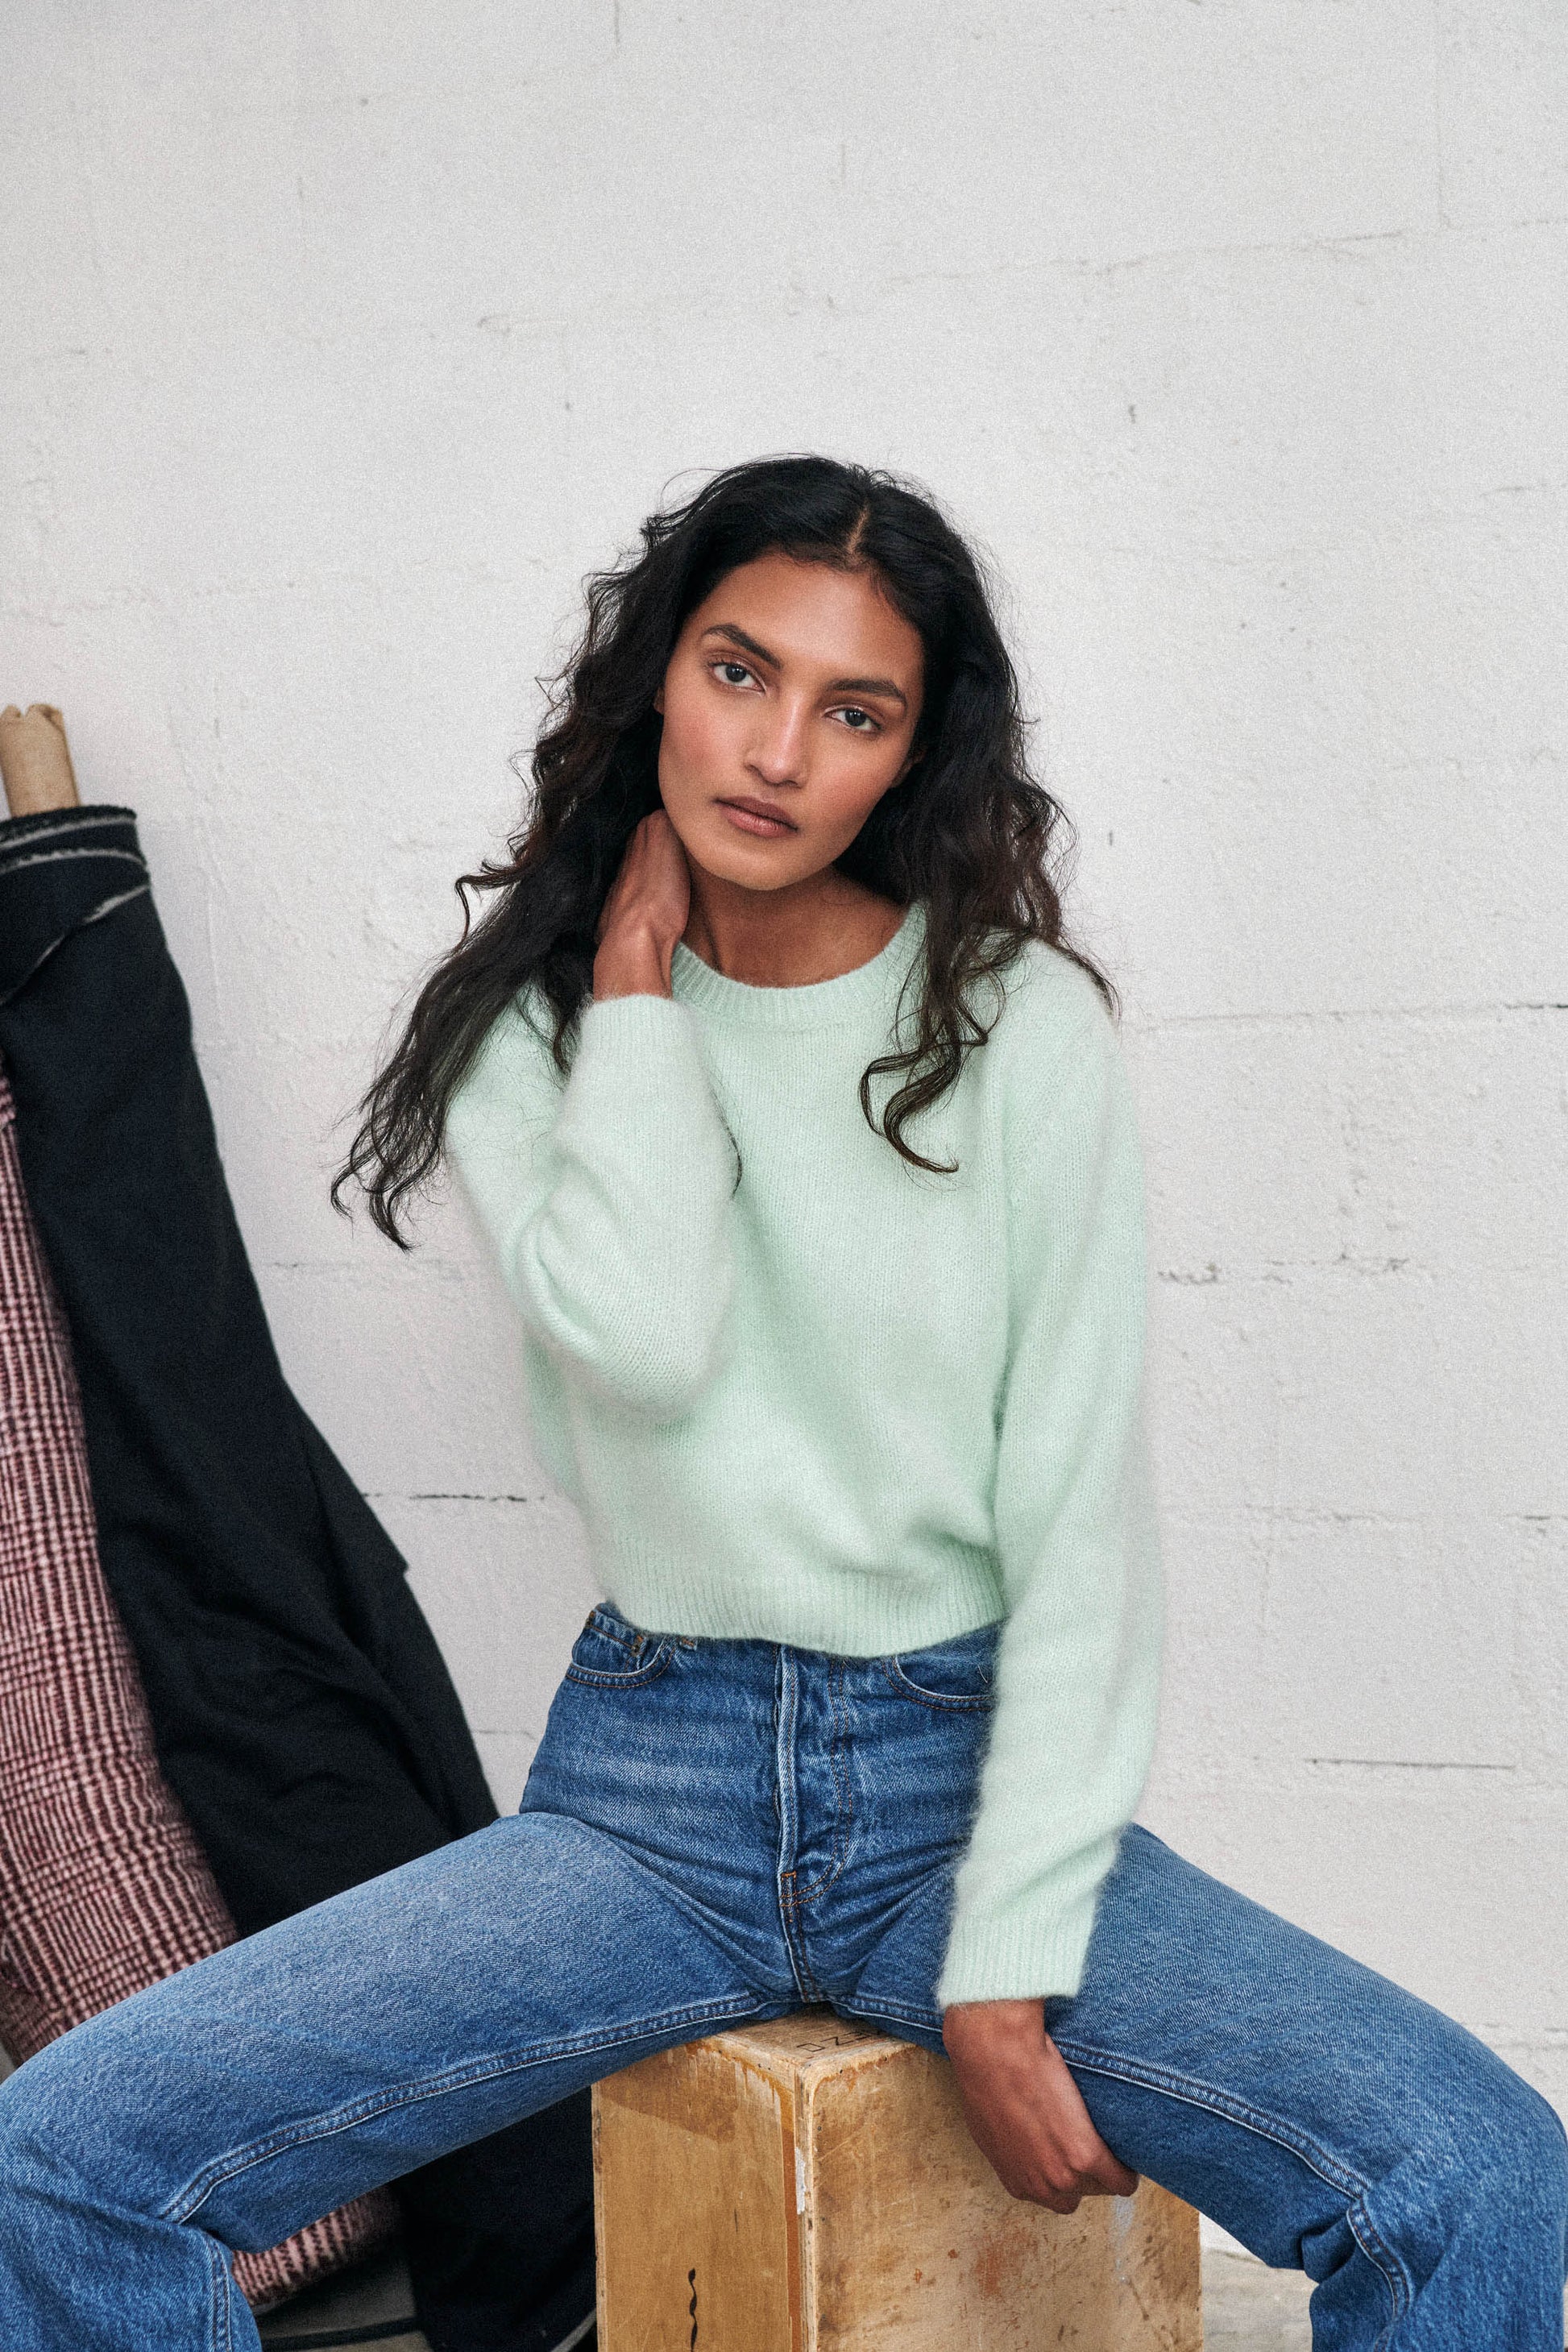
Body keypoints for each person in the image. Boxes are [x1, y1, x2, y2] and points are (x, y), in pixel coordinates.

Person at [0, 456, 1562, 2350]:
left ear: (910, 755)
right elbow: (647, 1339)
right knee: (63, 2153)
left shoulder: (1014, 1027)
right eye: (739, 671)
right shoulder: (534, 1032)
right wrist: (635, 986)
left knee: (1475, 2172)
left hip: (957, 1783)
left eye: (853, 709)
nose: (775, 750)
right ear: (658, 672)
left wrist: (1007, 1963)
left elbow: (1078, 1525)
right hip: (646, 1804)